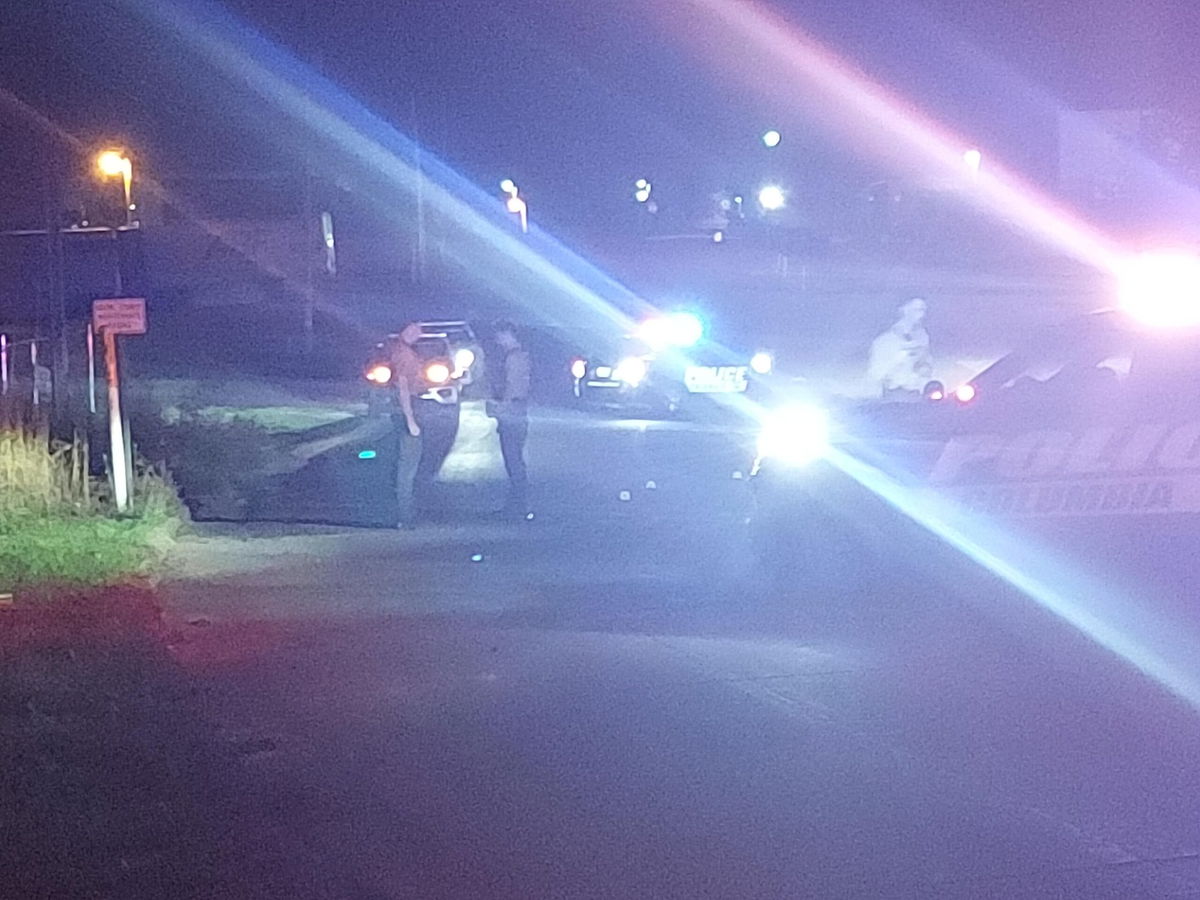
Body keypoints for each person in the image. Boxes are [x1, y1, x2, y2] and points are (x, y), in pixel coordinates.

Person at [489, 322, 532, 517]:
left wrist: (500, 408)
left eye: (500, 336)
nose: (498, 341)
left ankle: (518, 505)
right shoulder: (520, 356)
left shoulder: (514, 358)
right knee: (514, 460)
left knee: (513, 460)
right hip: (517, 410)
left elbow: (513, 387)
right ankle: (516, 504)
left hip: (512, 411)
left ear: (508, 335)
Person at [389, 323, 423, 529]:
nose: (418, 334)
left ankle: (405, 513)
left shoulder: (399, 351)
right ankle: (405, 516)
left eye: (419, 330)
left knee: (404, 464)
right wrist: (411, 420)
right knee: (408, 467)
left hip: (402, 410)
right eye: (414, 329)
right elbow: (403, 387)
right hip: (407, 410)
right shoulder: (404, 354)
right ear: (404, 330)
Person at [867, 297, 934, 399]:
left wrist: (924, 368)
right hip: (893, 398)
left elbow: (926, 366)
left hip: (917, 396)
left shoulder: (922, 337)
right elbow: (875, 375)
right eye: (916, 310)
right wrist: (900, 357)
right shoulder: (884, 340)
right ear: (903, 310)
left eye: (923, 310)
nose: (921, 315)